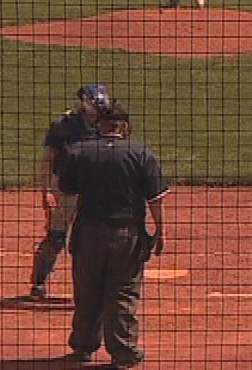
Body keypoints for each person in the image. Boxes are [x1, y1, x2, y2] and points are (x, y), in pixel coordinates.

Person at [59, 103, 167, 368]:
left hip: (88, 234)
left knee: (87, 293)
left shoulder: (80, 151)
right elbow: (154, 200)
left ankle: (83, 349)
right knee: (123, 293)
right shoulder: (141, 153)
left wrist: (62, 230)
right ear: (124, 127)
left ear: (100, 125)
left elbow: (68, 198)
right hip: (126, 236)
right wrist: (161, 231)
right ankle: (123, 354)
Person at [29, 83, 114, 299]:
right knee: (56, 237)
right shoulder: (63, 126)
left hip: (96, 189)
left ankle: (96, 287)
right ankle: (38, 282)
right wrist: (46, 191)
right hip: (66, 188)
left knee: (97, 237)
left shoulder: (109, 124)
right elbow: (47, 160)